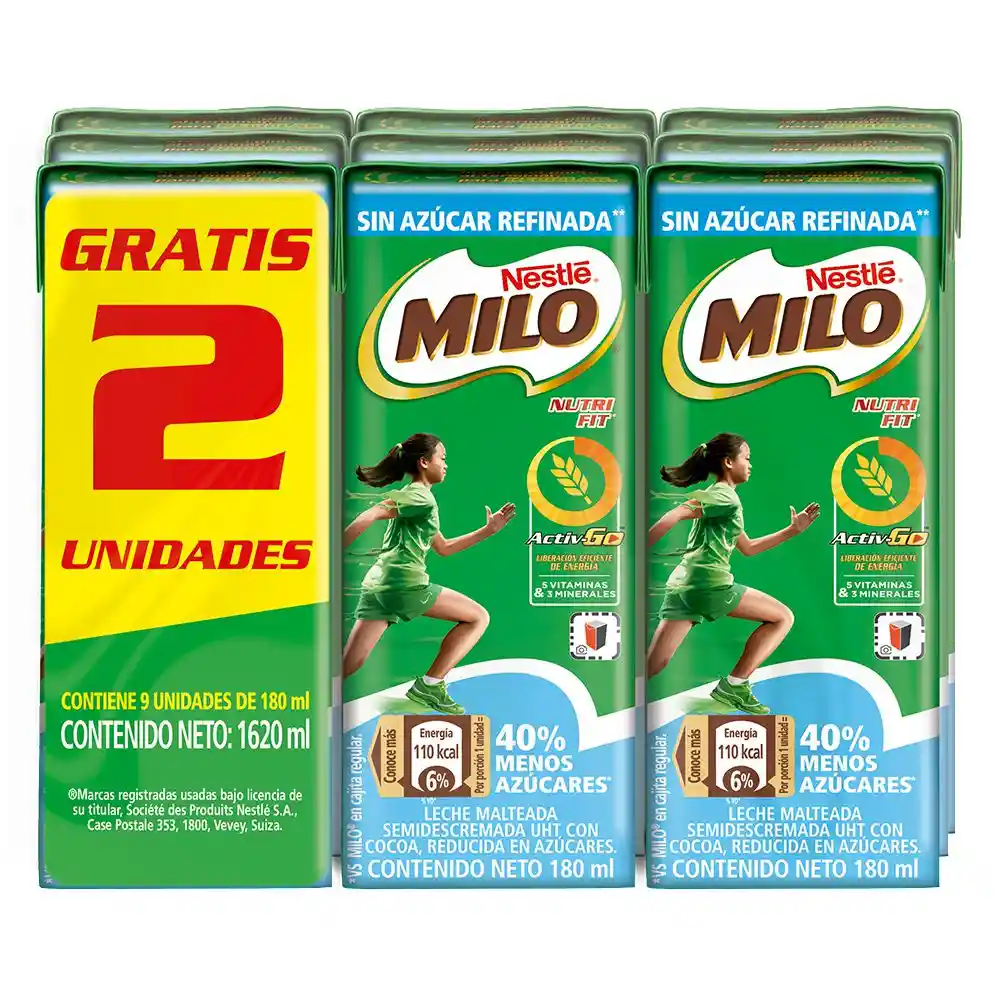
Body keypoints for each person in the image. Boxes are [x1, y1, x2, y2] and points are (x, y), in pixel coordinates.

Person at [343, 433, 515, 715]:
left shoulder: (418, 499)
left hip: (378, 585)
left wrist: (488, 530)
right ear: (424, 462)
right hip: (404, 584)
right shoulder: (419, 497)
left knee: (349, 664)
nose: (446, 464)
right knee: (478, 617)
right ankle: (430, 685)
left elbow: (443, 548)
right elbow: (370, 515)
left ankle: (313, 689)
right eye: (442, 458)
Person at [647, 433, 819, 714]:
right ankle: (735, 685)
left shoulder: (721, 499)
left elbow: (748, 548)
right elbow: (675, 515)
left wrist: (792, 530)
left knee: (654, 663)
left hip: (683, 586)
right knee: (783, 617)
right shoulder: (724, 497)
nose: (750, 465)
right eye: (746, 458)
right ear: (729, 462)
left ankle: (622, 688)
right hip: (709, 584)